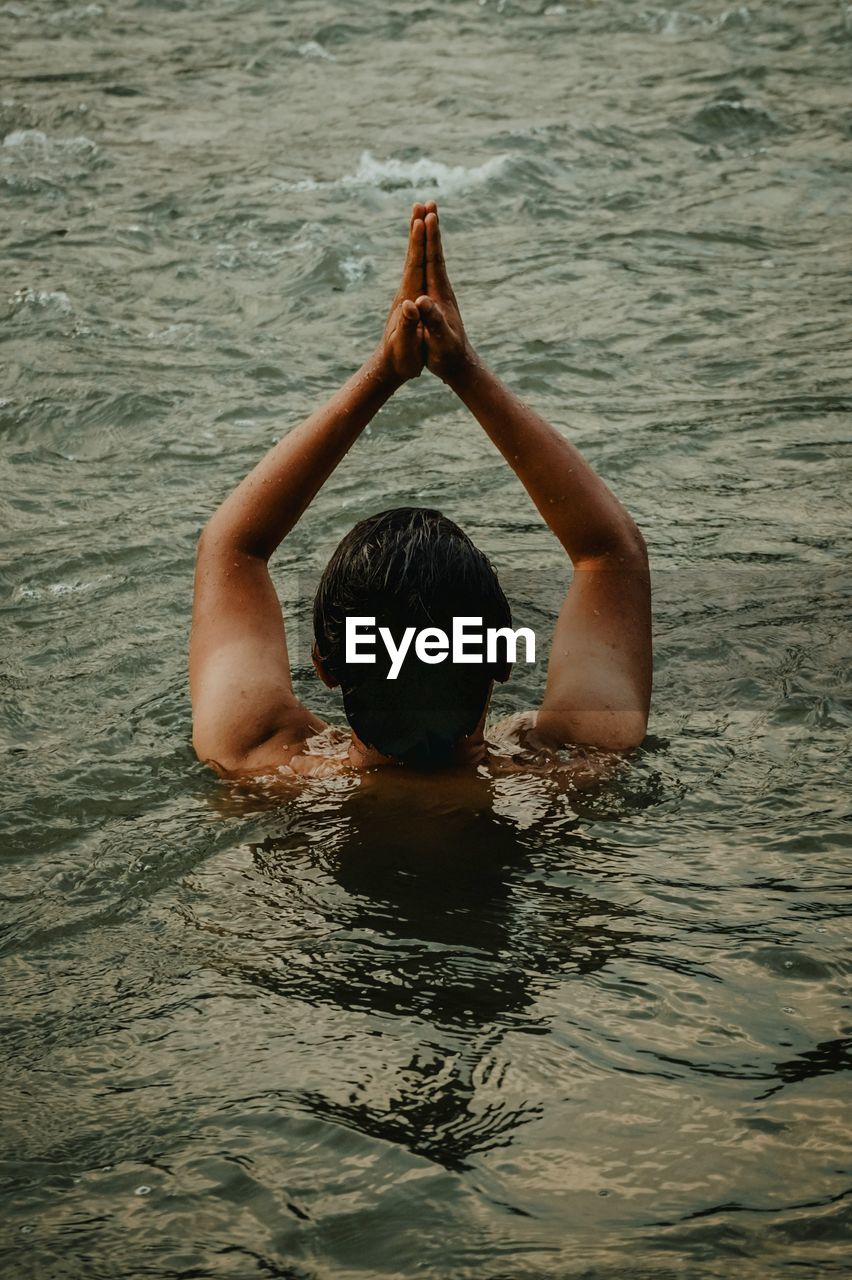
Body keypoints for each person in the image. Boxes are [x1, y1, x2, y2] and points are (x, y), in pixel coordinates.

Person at [189, 201, 651, 780]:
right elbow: (610, 552)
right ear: (504, 659)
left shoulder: (259, 764)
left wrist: (384, 370)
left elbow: (232, 545)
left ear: (327, 666)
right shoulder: (576, 767)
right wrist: (464, 369)